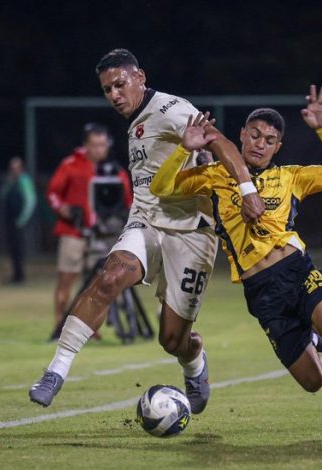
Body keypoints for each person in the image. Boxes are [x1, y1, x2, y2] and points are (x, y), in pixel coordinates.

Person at [150, 85, 322, 441]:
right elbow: (161, 188)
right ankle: (311, 336)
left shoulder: (290, 177)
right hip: (262, 294)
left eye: (269, 140)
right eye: (255, 135)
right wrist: (185, 148)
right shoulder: (214, 177)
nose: (260, 144)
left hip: (298, 272)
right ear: (241, 135)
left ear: (278, 147)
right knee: (313, 381)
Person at [28, 48, 265, 412]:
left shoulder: (170, 108)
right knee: (108, 278)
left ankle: (194, 361)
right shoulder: (136, 119)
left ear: (140, 77)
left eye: (120, 84)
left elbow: (220, 141)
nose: (114, 95)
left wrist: (247, 190)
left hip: (191, 231)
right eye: (107, 89)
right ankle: (55, 372)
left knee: (172, 340)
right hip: (146, 220)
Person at [45, 124, 131, 340]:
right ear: (85, 145)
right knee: (67, 279)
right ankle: (60, 324)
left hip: (102, 235)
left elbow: (127, 201)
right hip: (73, 231)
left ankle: (89, 327)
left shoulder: (114, 171)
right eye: (94, 145)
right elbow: (53, 193)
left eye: (102, 145)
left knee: (97, 284)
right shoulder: (71, 165)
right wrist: (64, 209)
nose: (99, 150)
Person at [0, 156, 36, 284]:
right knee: (12, 248)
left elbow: (31, 201)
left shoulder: (25, 181)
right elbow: (2, 196)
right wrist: (8, 183)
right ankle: (15, 274)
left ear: (21, 168)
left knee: (20, 249)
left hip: (20, 222)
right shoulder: (10, 182)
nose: (13, 170)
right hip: (10, 221)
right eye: (12, 168)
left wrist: (22, 220)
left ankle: (20, 275)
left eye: (16, 168)